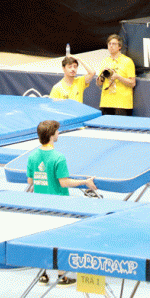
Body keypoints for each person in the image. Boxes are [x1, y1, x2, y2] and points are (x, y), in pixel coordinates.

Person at [26, 119, 96, 287]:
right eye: (57, 131)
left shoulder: (32, 155)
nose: (59, 133)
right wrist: (85, 182)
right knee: (60, 240)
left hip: (39, 203)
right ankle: (62, 276)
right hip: (58, 204)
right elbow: (64, 183)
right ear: (51, 135)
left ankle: (42, 275)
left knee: (41, 238)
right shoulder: (58, 157)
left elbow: (30, 181)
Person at [98, 35, 135, 115]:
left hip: (122, 104)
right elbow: (99, 83)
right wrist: (102, 76)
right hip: (106, 102)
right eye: (109, 44)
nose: (111, 46)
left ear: (119, 46)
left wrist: (118, 77)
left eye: (114, 44)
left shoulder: (127, 61)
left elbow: (132, 83)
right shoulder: (105, 61)